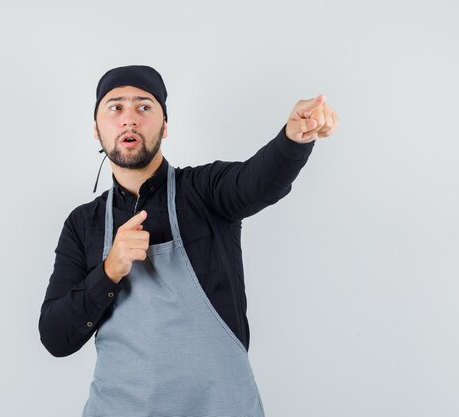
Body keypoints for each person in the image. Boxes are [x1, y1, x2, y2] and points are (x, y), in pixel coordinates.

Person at [39, 65, 338, 416]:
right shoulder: (81, 224)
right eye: (115, 107)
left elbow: (259, 179)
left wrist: (292, 141)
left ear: (164, 126)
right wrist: (109, 271)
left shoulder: (205, 191)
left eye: (144, 107)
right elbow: (56, 337)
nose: (129, 119)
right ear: (96, 130)